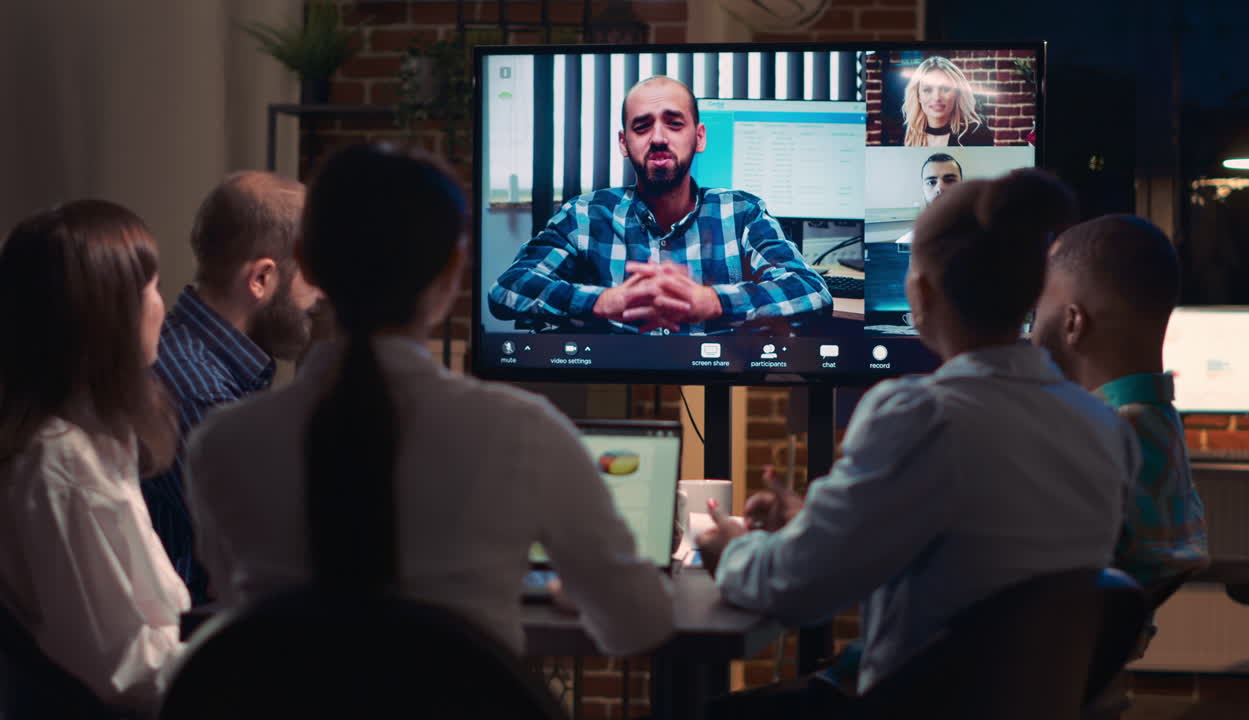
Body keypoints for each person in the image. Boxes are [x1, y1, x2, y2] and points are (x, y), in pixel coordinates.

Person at [185, 143, 674, 656]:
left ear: (307, 263)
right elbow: (640, 624)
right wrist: (571, 591)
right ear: (452, 272)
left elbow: (232, 611)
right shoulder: (524, 434)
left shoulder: (219, 446)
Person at [697, 169, 1139, 718]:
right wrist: (815, 520)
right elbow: (970, 545)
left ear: (921, 293)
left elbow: (794, 590)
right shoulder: (1103, 427)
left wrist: (727, 550)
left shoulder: (920, 415)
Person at [0, 200, 189, 713]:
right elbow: (125, 671)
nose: (162, 305)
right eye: (152, 288)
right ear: (108, 314)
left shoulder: (97, 433)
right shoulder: (59, 460)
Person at [488, 75, 832, 335]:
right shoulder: (584, 215)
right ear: (624, 143)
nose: (658, 138)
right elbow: (508, 288)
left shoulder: (742, 212)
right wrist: (603, 302)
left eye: (674, 122)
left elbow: (811, 290)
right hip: (618, 384)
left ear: (699, 137)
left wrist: (711, 302)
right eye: (642, 126)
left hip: (718, 384)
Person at [145, 171, 323, 605]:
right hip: (195, 650)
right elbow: (279, 550)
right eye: (313, 275)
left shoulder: (207, 362)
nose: (322, 296)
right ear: (261, 279)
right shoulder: (200, 395)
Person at [1032, 215, 1209, 598]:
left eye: (1039, 299)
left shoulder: (1095, 442)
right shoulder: (1158, 425)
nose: (1031, 322)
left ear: (1072, 323)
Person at [898, 56, 993, 147]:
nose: (937, 97)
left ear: (957, 93)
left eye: (945, 88)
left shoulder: (978, 134)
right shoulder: (908, 134)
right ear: (918, 96)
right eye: (927, 90)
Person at [896, 153, 963, 244]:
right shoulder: (905, 244)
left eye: (950, 180)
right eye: (931, 182)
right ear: (923, 188)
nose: (940, 188)